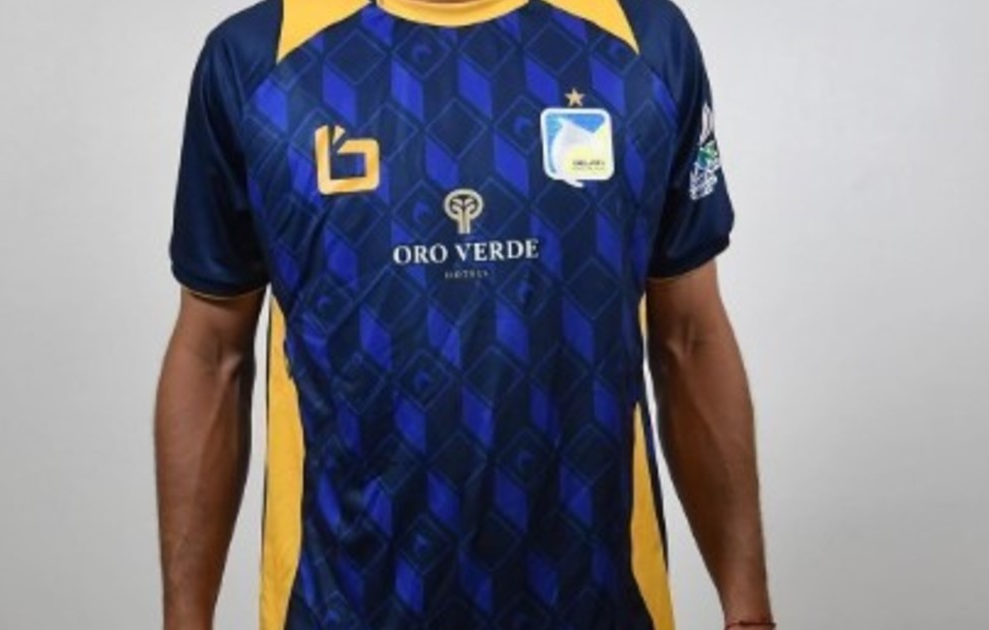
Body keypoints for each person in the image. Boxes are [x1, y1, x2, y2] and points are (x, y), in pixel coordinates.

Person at [154, 0, 773, 628]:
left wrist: (749, 614)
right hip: (339, 607)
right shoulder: (257, 57)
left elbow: (689, 338)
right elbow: (212, 354)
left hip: (602, 607)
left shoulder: (644, 41)